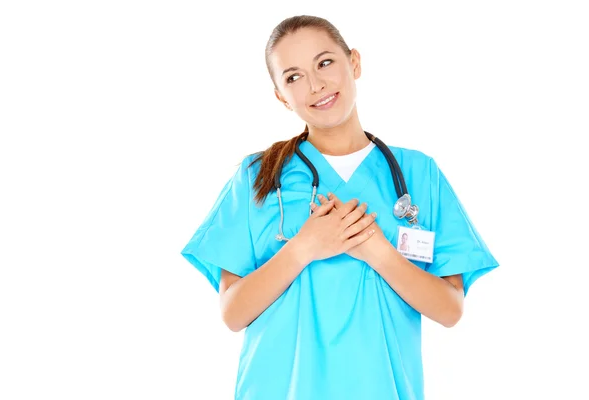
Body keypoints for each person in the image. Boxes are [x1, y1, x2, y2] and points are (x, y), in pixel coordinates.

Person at [180, 15, 499, 400]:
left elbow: (450, 310)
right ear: (282, 96)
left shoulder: (418, 175)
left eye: (325, 63)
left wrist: (377, 251)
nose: (315, 85)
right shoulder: (258, 176)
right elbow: (233, 314)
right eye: (293, 77)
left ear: (355, 63)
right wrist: (304, 247)